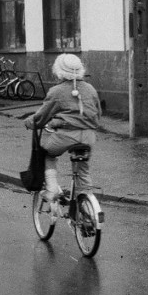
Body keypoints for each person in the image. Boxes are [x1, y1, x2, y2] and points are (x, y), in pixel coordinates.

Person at [24, 53, 101, 205]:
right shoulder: (90, 89)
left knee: (46, 155)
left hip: (66, 136)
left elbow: (41, 117)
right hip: (88, 136)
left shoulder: (57, 91)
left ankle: (52, 189)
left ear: (58, 70)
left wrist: (29, 122)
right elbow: (97, 114)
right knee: (82, 171)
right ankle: (87, 206)